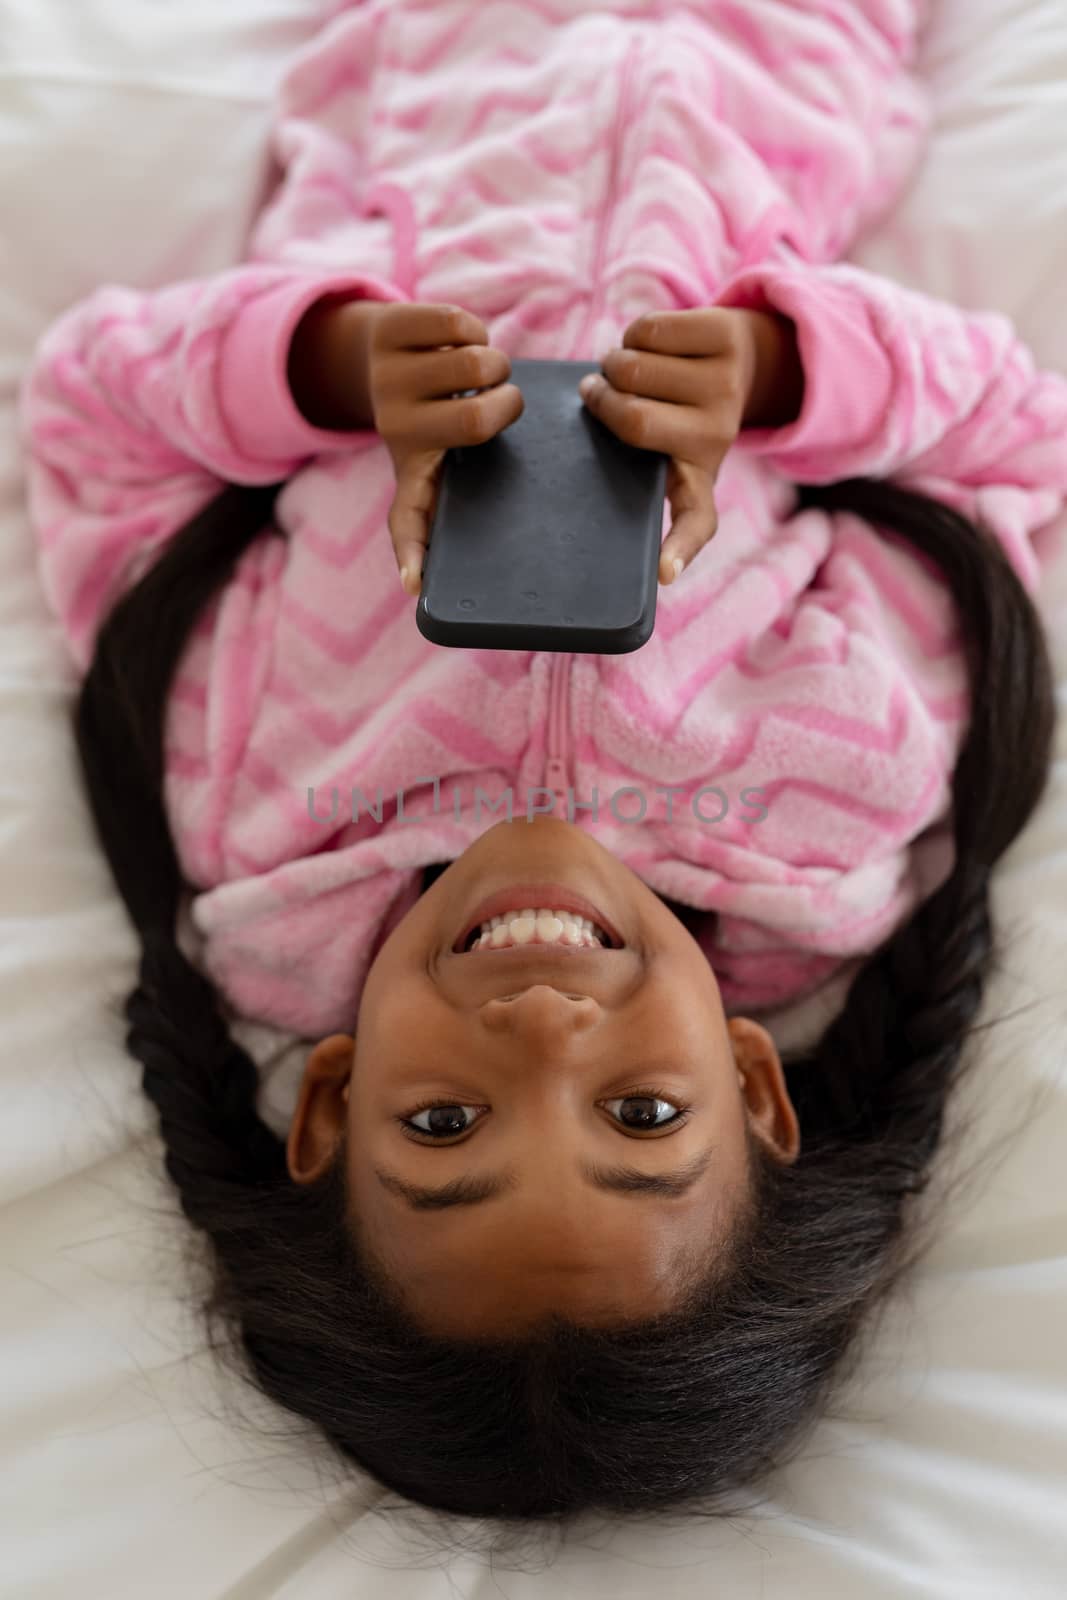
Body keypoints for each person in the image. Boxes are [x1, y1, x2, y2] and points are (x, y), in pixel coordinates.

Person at [16, 0, 1065, 1522]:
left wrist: (331, 363)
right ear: (757, 1088)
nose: (548, 1032)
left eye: (444, 1128)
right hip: (783, 51)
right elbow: (1007, 442)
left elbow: (95, 417)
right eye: (643, 1120)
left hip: (438, 54)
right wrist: (776, 373)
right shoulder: (844, 813)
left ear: (330, 1105)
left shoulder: (241, 812)